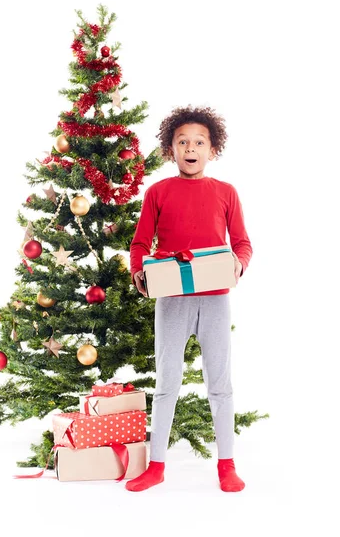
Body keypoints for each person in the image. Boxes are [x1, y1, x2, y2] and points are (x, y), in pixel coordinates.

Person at [126, 105, 253, 492]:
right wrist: (140, 274)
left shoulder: (226, 193)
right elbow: (140, 244)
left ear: (212, 149)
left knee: (221, 384)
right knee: (167, 383)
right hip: (173, 300)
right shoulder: (158, 192)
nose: (191, 148)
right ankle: (157, 465)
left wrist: (238, 264)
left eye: (199, 142)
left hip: (214, 299)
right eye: (183, 142)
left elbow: (243, 244)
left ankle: (226, 465)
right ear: (171, 149)